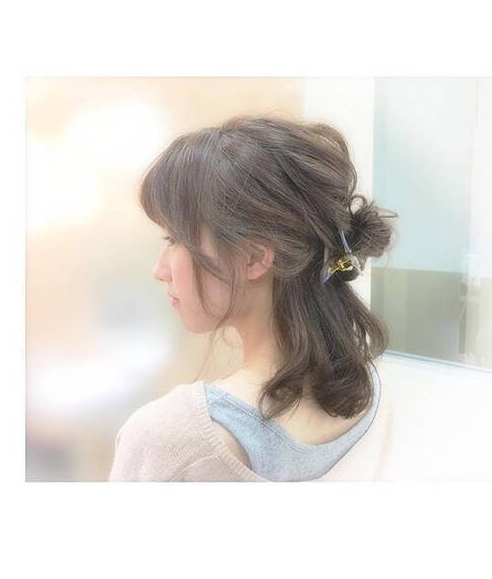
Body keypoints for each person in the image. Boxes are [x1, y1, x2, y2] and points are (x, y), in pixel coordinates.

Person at [108, 114, 400, 482]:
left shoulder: (175, 439)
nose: (160, 269)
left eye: (175, 240)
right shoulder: (367, 393)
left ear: (254, 258)